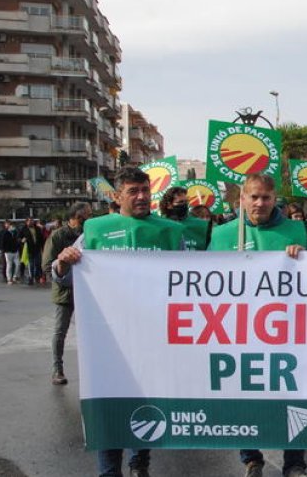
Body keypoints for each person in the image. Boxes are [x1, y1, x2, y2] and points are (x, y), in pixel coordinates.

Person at [51, 166, 186, 477]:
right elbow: (62, 277)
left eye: (145, 190)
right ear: (117, 195)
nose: (142, 197)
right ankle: (109, 471)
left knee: (145, 401)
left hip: (153, 337)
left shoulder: (170, 231)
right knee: (109, 405)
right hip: (106, 340)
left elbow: (188, 280)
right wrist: (63, 261)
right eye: (133, 191)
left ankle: (140, 461)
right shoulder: (96, 230)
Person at [209, 174, 307, 477]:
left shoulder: (295, 229)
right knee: (245, 395)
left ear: (274, 197)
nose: (260, 203)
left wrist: (303, 258)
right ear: (242, 199)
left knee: (294, 395)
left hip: (288, 330)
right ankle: (251, 458)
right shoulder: (223, 234)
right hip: (240, 332)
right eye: (253, 197)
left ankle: (294, 463)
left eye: (266, 197)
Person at [42, 202, 91, 385]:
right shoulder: (58, 236)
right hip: (65, 292)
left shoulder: (89, 236)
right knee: (60, 331)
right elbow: (47, 266)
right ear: (76, 218)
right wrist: (64, 271)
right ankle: (57, 369)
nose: (89, 219)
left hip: (87, 292)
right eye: (86, 216)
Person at [158, 186, 211, 250]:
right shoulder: (159, 225)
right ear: (169, 205)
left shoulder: (201, 225)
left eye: (186, 202)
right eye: (180, 202)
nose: (184, 205)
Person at [19, 218, 45, 285]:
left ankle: (37, 276)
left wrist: (43, 248)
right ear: (26, 222)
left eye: (32, 221)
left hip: (37, 248)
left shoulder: (37, 229)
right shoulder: (24, 229)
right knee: (31, 264)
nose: (31, 222)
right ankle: (31, 278)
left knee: (38, 263)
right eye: (29, 221)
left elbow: (41, 239)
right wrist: (22, 240)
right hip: (29, 249)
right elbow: (19, 237)